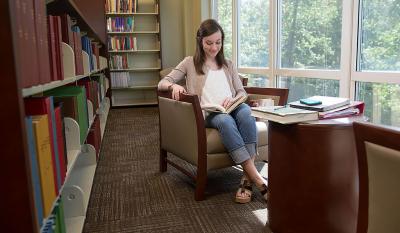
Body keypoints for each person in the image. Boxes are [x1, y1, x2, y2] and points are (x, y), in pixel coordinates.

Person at [158, 19, 268, 204]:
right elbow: (162, 83)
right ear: (200, 41)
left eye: (218, 42)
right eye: (209, 43)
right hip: (210, 113)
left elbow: (242, 92)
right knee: (225, 122)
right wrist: (173, 86)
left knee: (246, 114)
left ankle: (247, 179)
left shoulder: (228, 64)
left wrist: (234, 99)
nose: (214, 47)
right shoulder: (189, 63)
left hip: (233, 107)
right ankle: (257, 179)